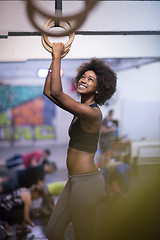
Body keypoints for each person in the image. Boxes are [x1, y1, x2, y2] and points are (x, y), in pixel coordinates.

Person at [43, 42, 117, 240]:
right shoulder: (79, 108)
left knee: (84, 235)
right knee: (52, 232)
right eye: (83, 76)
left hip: (87, 183)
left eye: (90, 79)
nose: (84, 80)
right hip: (74, 181)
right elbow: (49, 92)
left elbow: (57, 92)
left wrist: (58, 55)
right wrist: (53, 59)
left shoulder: (92, 114)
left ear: (99, 89)